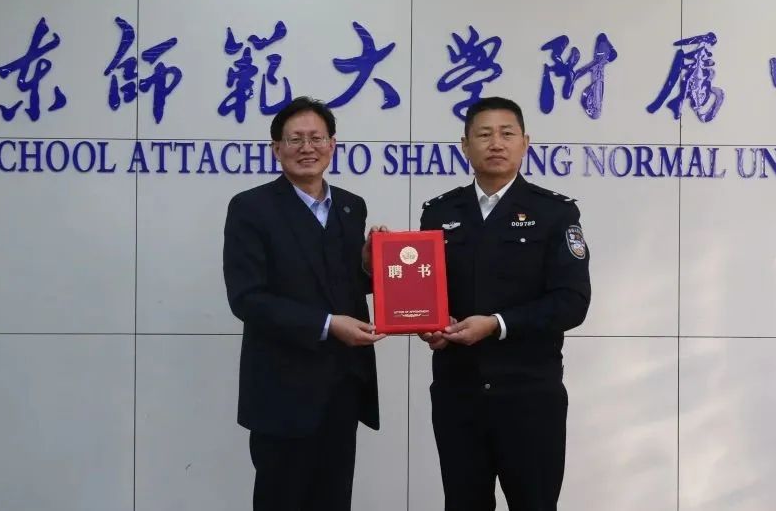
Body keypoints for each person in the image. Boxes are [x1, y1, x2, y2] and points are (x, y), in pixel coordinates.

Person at [418, 96, 592, 511]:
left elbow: (572, 302)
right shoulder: (439, 213)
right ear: (465, 146)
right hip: (459, 394)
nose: (496, 143)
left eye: (506, 133)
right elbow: (426, 294)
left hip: (529, 395)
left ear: (524, 143)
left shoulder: (554, 213)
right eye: (484, 134)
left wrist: (496, 323)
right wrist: (431, 325)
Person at [223, 96, 385, 511]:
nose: (307, 148)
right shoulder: (250, 208)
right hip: (282, 391)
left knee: (334, 499)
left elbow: (345, 286)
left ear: (333, 145)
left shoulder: (350, 206)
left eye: (316, 138)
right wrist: (328, 325)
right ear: (276, 149)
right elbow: (247, 298)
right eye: (295, 139)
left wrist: (370, 267)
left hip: (343, 385)